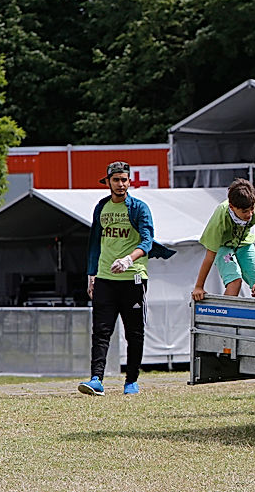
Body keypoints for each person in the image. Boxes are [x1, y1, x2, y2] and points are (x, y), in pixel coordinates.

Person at [78, 161, 175, 396]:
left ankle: (131, 381)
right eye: (116, 180)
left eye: (124, 180)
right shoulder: (101, 207)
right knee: (101, 331)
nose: (120, 184)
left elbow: (147, 241)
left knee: (134, 333)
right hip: (105, 277)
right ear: (108, 182)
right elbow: (95, 242)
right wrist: (91, 274)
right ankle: (96, 379)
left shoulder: (139, 208)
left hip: (133, 278)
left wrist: (129, 259)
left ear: (129, 182)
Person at [191, 178, 255, 302]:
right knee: (235, 282)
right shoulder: (221, 216)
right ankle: (224, 313)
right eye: (244, 211)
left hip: (244, 244)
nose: (250, 214)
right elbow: (210, 256)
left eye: (252, 209)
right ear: (232, 207)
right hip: (224, 246)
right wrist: (198, 287)